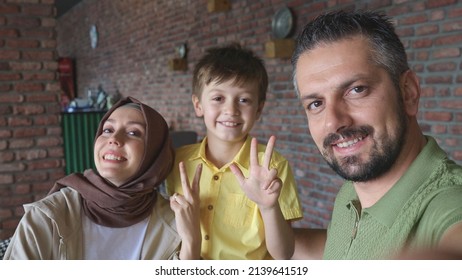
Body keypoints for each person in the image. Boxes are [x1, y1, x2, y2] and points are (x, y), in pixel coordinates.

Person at [290, 10, 462, 259]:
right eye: (316, 104)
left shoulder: (448, 205)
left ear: (408, 93)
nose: (333, 123)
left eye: (356, 90)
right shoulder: (353, 189)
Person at [3, 97, 200, 260]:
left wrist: (192, 241)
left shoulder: (175, 222)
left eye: (133, 133)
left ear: (154, 153)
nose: (114, 139)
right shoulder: (46, 217)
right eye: (107, 130)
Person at [166, 43, 303, 260]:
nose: (231, 110)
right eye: (218, 98)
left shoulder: (272, 167)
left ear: (258, 109)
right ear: (198, 105)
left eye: (244, 100)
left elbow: (284, 254)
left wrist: (268, 208)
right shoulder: (176, 162)